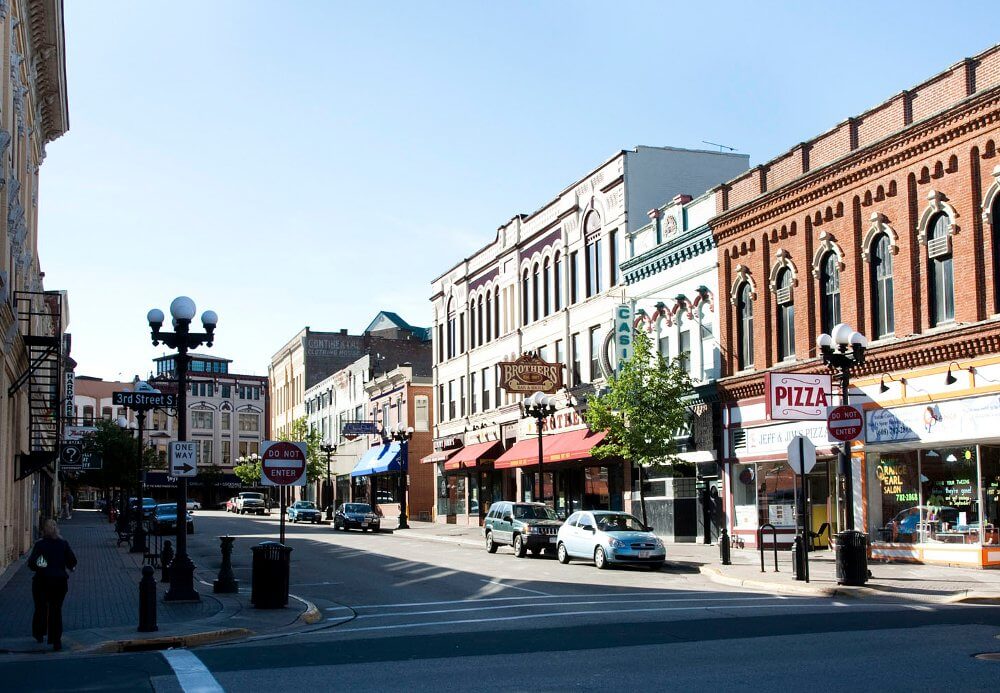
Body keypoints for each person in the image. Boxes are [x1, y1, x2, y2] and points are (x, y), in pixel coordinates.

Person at [27, 519, 77, 651]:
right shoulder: (63, 544)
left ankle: (39, 633)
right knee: (56, 609)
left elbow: (32, 564)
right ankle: (56, 640)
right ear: (57, 529)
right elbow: (72, 561)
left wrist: (42, 565)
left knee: (40, 607)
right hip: (59, 582)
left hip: (41, 581)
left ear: (44, 530)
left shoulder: (40, 545)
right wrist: (70, 567)